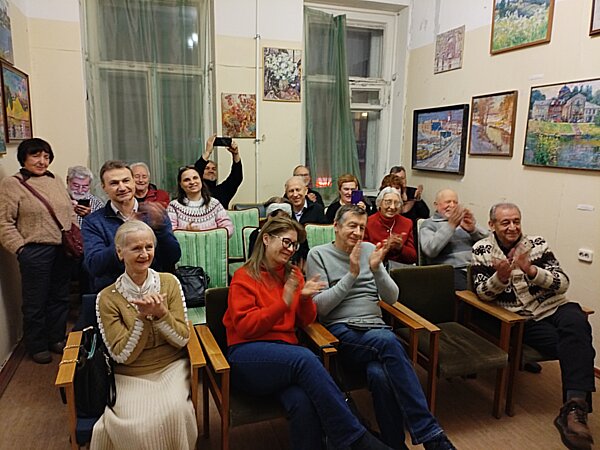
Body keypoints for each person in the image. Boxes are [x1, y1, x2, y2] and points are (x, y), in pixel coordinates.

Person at [223, 215, 391, 450]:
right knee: (305, 358)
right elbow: (246, 327)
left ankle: (347, 438)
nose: (290, 249)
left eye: (294, 245)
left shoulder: (293, 274)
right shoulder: (244, 276)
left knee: (301, 401)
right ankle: (357, 438)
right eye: (286, 242)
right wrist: (283, 302)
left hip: (285, 358)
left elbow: (306, 320)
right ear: (267, 239)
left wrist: (303, 299)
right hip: (248, 356)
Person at [305, 205, 455, 450]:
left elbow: (392, 297)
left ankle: (395, 444)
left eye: (361, 227)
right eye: (351, 226)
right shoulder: (318, 255)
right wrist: (351, 275)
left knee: (380, 375)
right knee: (389, 342)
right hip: (343, 332)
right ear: (336, 226)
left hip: (376, 330)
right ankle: (430, 434)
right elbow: (320, 308)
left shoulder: (368, 249)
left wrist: (376, 269)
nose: (357, 232)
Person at [471, 203, 595, 450]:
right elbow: (482, 293)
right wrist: (500, 278)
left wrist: (531, 270)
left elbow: (563, 283)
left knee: (577, 322)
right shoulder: (482, 249)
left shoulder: (537, 244)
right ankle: (573, 413)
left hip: (554, 306)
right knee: (576, 347)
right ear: (492, 225)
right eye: (505, 222)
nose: (512, 227)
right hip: (523, 318)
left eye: (516, 221)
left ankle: (574, 409)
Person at [91, 220, 196, 450]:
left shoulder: (169, 283)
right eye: (136, 248)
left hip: (171, 367)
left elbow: (182, 339)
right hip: (130, 374)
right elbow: (122, 356)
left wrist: (161, 315)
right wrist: (142, 319)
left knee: (176, 411)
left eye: (149, 247)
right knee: (134, 425)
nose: (144, 254)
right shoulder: (107, 298)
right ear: (120, 253)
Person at [0, 138, 78, 364]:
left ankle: (56, 338)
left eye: (46, 156)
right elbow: (4, 222)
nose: (42, 161)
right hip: (35, 251)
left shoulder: (55, 179)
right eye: (36, 156)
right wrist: (21, 249)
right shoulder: (12, 184)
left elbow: (69, 211)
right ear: (23, 158)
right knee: (36, 301)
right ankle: (37, 345)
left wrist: (73, 229)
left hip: (63, 249)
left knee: (60, 297)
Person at [82, 160, 181, 293]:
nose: (122, 188)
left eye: (126, 181)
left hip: (155, 291)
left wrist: (161, 229)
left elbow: (173, 257)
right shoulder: (93, 222)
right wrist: (126, 239)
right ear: (104, 187)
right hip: (114, 294)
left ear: (134, 182)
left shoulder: (153, 213)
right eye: (114, 183)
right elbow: (95, 266)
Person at [419, 188, 487, 290]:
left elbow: (490, 243)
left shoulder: (464, 220)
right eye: (448, 202)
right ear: (436, 205)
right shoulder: (429, 224)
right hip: (451, 271)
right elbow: (430, 250)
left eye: (455, 202)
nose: (452, 205)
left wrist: (473, 230)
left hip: (474, 268)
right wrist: (451, 226)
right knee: (467, 294)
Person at [166, 165, 234, 237]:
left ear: (201, 180)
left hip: (212, 244)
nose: (192, 182)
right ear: (181, 185)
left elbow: (228, 228)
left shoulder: (214, 203)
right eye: (187, 180)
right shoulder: (173, 206)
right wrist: (186, 233)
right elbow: (168, 233)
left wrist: (205, 236)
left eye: (195, 178)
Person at [364, 187, 417, 268]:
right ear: (379, 203)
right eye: (388, 202)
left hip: (398, 269)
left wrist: (400, 248)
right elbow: (364, 255)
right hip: (374, 268)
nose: (392, 207)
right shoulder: (367, 223)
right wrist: (385, 247)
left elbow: (413, 257)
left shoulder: (407, 223)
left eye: (396, 203)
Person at [285, 176, 327, 264]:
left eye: (298, 190)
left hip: (312, 258)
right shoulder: (284, 212)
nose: (295, 194)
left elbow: (323, 237)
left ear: (306, 191)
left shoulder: (317, 209)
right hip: (288, 258)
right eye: (291, 191)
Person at [194, 134, 242, 209]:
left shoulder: (222, 191)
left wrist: (235, 154)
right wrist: (207, 152)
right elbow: (195, 173)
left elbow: (236, 178)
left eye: (214, 169)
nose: (211, 171)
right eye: (207, 168)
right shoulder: (195, 190)